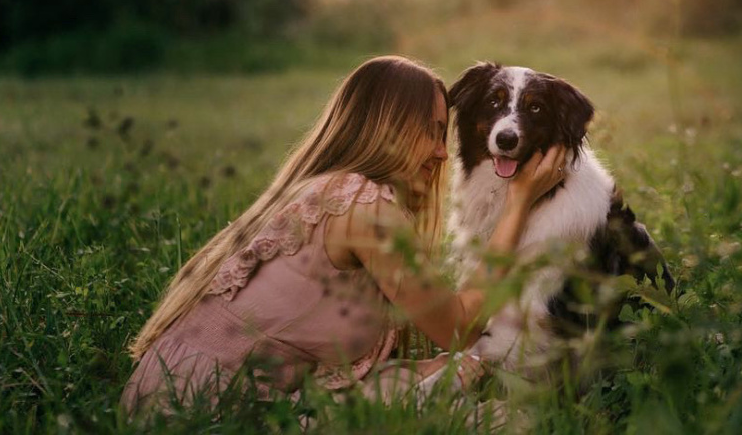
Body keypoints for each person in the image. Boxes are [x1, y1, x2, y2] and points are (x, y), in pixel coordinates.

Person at [121, 55, 566, 417]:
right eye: (430, 133)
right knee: (501, 422)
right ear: (386, 128)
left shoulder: (324, 187)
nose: (440, 152)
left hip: (168, 392)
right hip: (199, 411)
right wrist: (519, 202)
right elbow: (458, 327)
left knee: (438, 379)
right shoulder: (363, 208)